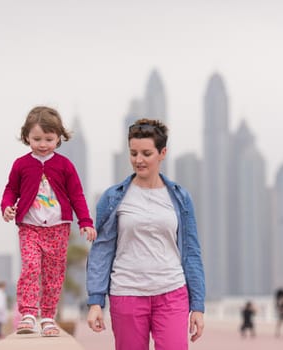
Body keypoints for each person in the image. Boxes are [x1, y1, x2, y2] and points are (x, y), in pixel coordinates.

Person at [86, 118, 206, 350]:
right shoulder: (113, 198)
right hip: (126, 293)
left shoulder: (181, 198)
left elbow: (191, 252)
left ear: (162, 153)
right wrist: (95, 301)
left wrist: (198, 306)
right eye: (133, 153)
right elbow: (101, 250)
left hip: (172, 292)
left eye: (146, 153)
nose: (138, 160)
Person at [0, 106, 96, 337]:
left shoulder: (65, 166)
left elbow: (77, 195)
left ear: (59, 138)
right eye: (37, 139)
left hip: (58, 229)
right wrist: (6, 208)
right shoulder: (21, 164)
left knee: (53, 275)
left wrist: (85, 221)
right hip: (30, 227)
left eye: (49, 139)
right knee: (31, 268)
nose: (43, 144)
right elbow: (11, 190)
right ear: (26, 137)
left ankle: (48, 317)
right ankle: (28, 314)